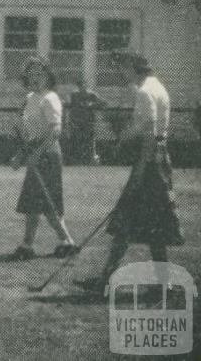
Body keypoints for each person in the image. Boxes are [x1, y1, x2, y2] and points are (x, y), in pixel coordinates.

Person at [82, 53, 184, 291]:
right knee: (153, 225)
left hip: (148, 164)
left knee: (126, 221)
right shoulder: (158, 87)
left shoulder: (144, 92)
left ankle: (106, 279)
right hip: (159, 163)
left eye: (123, 68)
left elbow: (148, 135)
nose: (121, 73)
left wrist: (138, 172)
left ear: (133, 66)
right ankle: (160, 282)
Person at [10, 57, 77, 260]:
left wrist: (37, 155)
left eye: (40, 74)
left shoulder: (50, 98)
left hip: (47, 155)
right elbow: (28, 134)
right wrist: (21, 155)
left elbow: (55, 131)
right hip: (34, 153)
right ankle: (30, 245)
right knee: (33, 203)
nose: (35, 78)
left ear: (48, 77)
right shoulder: (30, 98)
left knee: (47, 203)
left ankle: (65, 242)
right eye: (31, 75)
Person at [65, 78, 106, 165]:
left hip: (88, 122)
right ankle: (76, 160)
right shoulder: (74, 95)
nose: (81, 87)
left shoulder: (91, 95)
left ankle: (91, 160)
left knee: (90, 141)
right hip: (77, 122)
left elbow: (103, 104)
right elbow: (70, 105)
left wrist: (92, 104)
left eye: (83, 85)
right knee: (76, 141)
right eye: (80, 86)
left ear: (86, 86)